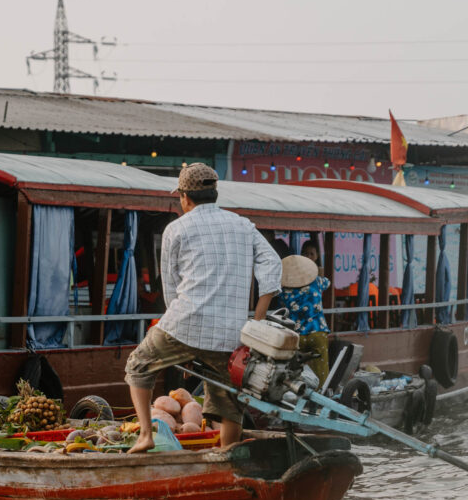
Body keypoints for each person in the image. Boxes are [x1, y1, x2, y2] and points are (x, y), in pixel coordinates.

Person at [124, 163, 282, 454]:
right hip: (232, 333)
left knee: (138, 366)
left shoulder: (176, 229)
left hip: (184, 323)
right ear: (215, 194)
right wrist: (256, 323)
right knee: (229, 395)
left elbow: (171, 288)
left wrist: (185, 343)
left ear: (185, 197)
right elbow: (273, 264)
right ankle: (229, 451)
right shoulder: (243, 225)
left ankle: (145, 435)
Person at [276, 255, 330, 386]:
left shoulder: (284, 291)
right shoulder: (317, 282)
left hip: (297, 336)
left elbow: (280, 305)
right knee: (321, 370)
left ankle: (299, 393)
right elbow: (327, 282)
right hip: (317, 332)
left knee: (295, 371)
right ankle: (321, 394)